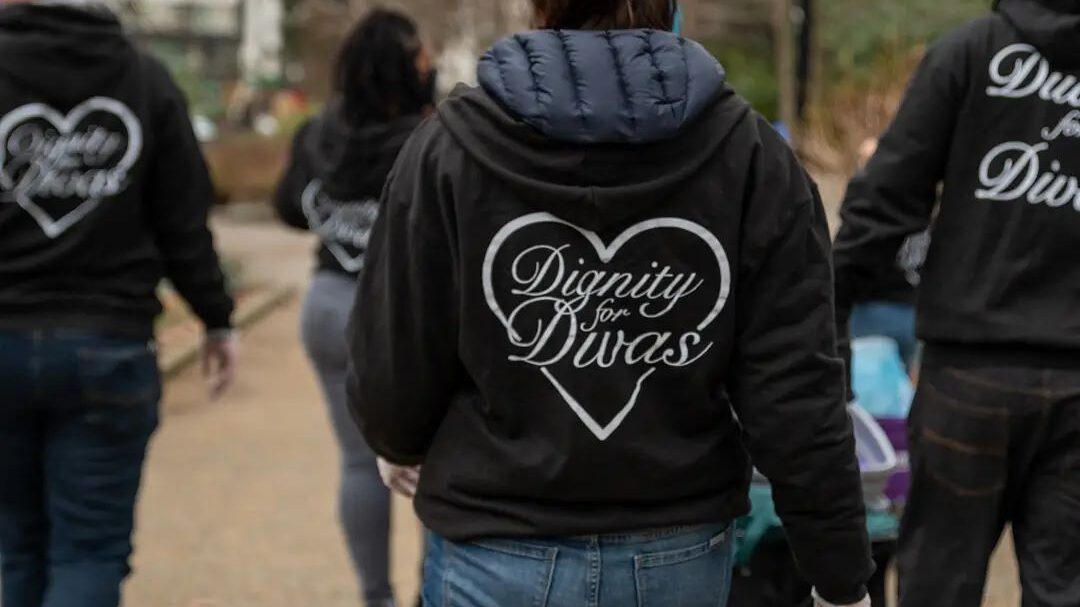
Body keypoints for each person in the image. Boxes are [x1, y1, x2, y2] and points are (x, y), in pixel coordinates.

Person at [348, 1, 874, 606]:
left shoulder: (446, 150)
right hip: (675, 554)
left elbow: (394, 353)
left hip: (494, 546)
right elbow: (796, 392)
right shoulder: (752, 156)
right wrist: (840, 578)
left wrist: (397, 440)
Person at [833, 0, 1080, 605]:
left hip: (967, 376)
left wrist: (828, 306)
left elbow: (889, 195)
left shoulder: (970, 51)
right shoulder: (967, 51)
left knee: (937, 587)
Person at [0, 1, 238, 606]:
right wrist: (216, 317)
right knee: (88, 552)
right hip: (108, 343)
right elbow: (184, 220)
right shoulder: (146, 79)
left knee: (18, 548)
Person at [274, 9, 435, 607]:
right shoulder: (430, 137)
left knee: (355, 463)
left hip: (328, 303)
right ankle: (431, 594)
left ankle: (376, 597)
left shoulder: (318, 131)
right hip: (403, 318)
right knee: (429, 466)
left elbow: (291, 208)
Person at [844, 139, 928, 373]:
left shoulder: (867, 202)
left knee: (864, 385)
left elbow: (853, 255)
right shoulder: (920, 200)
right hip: (912, 310)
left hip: (873, 308)